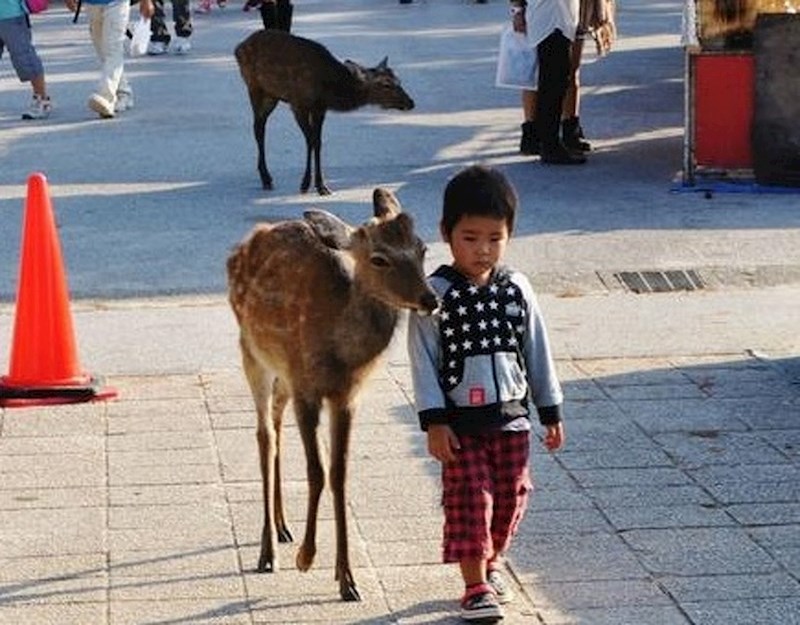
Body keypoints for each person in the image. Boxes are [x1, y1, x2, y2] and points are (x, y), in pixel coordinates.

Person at [407, 164, 565, 623]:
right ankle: (474, 584)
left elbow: (537, 348)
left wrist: (550, 409)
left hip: (512, 417)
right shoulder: (433, 295)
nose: (482, 249)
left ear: (509, 235)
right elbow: (422, 361)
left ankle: (493, 560)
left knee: (511, 494)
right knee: (470, 498)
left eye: (494, 238)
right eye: (470, 237)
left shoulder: (517, 288)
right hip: (458, 424)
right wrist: (434, 420)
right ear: (446, 232)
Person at [65, 0, 153, 119]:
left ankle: (106, 97)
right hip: (92, 5)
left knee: (112, 49)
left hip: (117, 3)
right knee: (103, 51)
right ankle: (123, 92)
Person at [0, 0, 52, 119]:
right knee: (25, 56)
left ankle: (42, 99)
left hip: (11, 13)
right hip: (10, 14)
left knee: (24, 57)